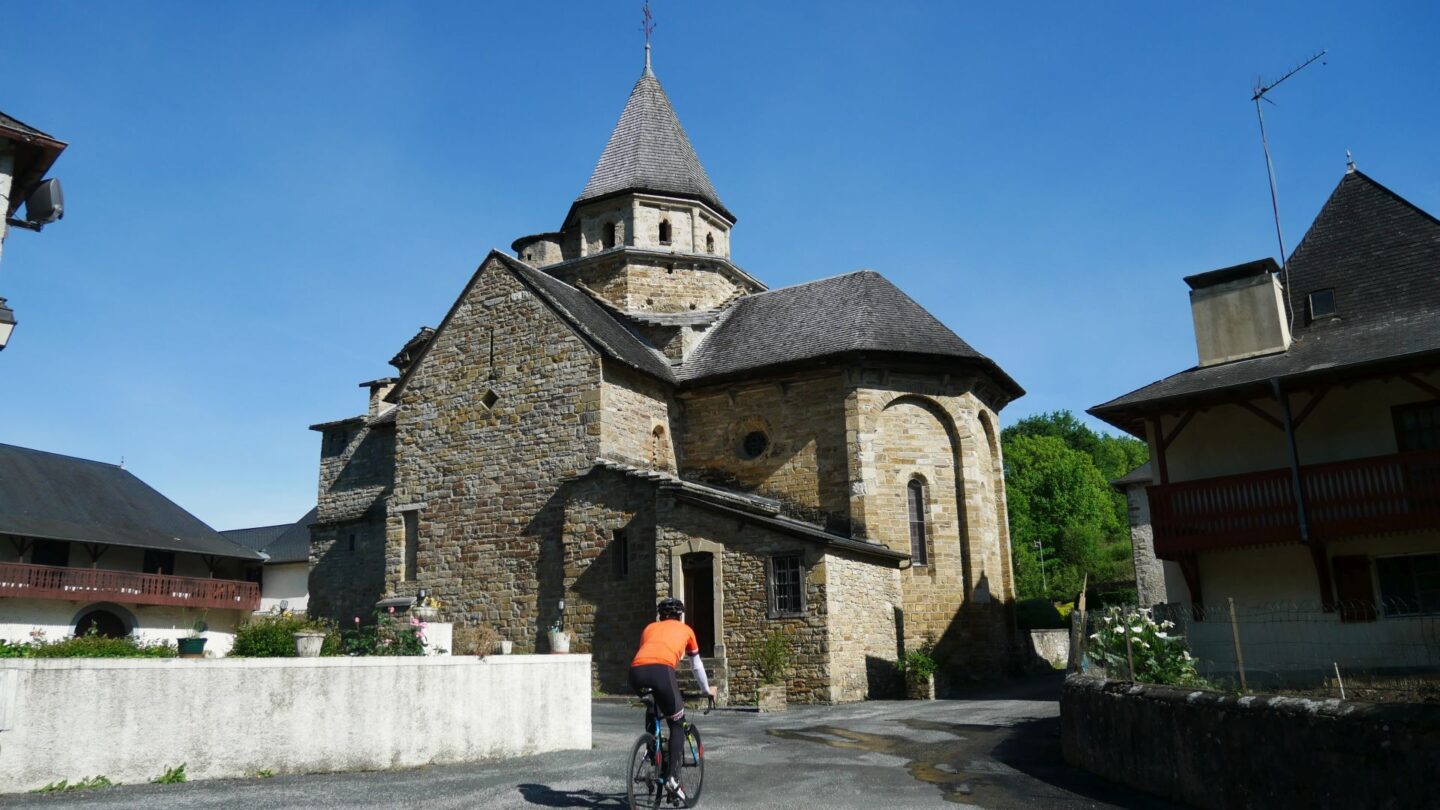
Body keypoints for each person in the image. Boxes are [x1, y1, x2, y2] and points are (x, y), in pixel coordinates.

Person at [630, 597, 716, 804]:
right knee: (677, 724)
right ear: (680, 616)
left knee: (653, 706)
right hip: (662, 673)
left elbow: (649, 655)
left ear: (660, 616)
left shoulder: (649, 628)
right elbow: (696, 666)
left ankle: (654, 752)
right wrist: (707, 689)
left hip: (635, 673)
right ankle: (673, 780)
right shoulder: (686, 630)